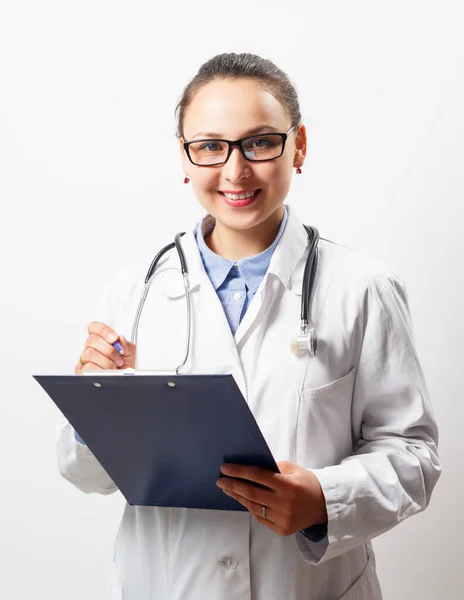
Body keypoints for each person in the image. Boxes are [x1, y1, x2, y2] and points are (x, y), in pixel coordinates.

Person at [57, 52, 441, 600]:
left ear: (298, 146)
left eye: (260, 142)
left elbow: (413, 454)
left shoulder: (363, 287)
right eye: (210, 146)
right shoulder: (135, 291)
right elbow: (86, 474)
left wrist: (324, 500)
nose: (235, 170)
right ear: (184, 159)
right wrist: (92, 402)